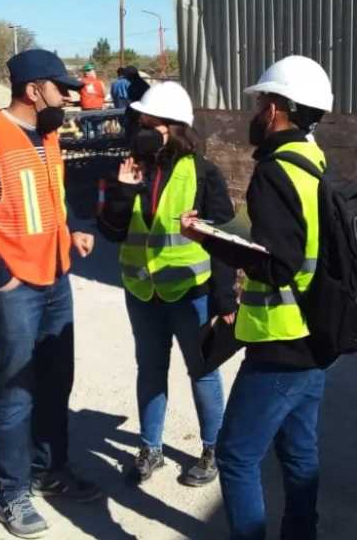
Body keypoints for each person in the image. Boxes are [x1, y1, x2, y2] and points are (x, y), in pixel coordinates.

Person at [0, 48, 101, 539]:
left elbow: (49, 198)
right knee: (16, 389)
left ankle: (49, 469)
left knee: (56, 379)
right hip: (12, 286)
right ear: (34, 91)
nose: (70, 97)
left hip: (55, 275)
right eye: (62, 88)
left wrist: (71, 230)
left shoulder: (48, 135)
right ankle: (12, 493)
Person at [180, 55, 335, 540]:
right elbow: (288, 236)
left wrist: (207, 239)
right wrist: (223, 230)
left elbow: (277, 260)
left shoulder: (274, 171)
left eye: (261, 102)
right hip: (316, 333)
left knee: (236, 455)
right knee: (298, 453)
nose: (256, 112)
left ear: (276, 109)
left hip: (282, 341)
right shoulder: (312, 160)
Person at [97, 81, 236, 487]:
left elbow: (226, 239)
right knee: (151, 370)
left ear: (173, 127)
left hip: (191, 293)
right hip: (142, 292)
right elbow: (110, 230)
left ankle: (214, 449)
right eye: (138, 121)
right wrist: (122, 193)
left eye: (149, 123)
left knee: (203, 372)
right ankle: (150, 448)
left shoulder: (204, 172)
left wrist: (225, 297)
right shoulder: (127, 167)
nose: (139, 129)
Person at [123, 66, 153, 141]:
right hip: (146, 115)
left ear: (129, 75)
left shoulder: (133, 87)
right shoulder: (145, 84)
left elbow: (131, 103)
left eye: (126, 75)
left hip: (136, 117)